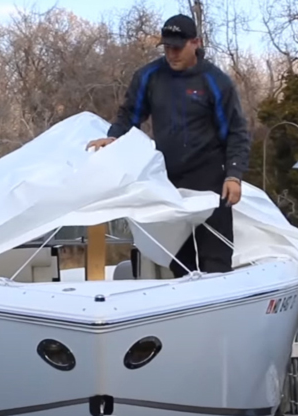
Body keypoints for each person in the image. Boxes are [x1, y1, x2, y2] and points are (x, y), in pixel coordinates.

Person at [86, 13, 251, 278]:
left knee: (215, 259)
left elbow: (236, 132)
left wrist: (234, 174)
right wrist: (114, 138)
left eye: (177, 47)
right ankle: (186, 310)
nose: (171, 54)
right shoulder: (149, 76)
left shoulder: (216, 82)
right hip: (168, 177)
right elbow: (130, 114)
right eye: (167, 47)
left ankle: (217, 308)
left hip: (209, 177)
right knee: (180, 261)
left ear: (195, 42)